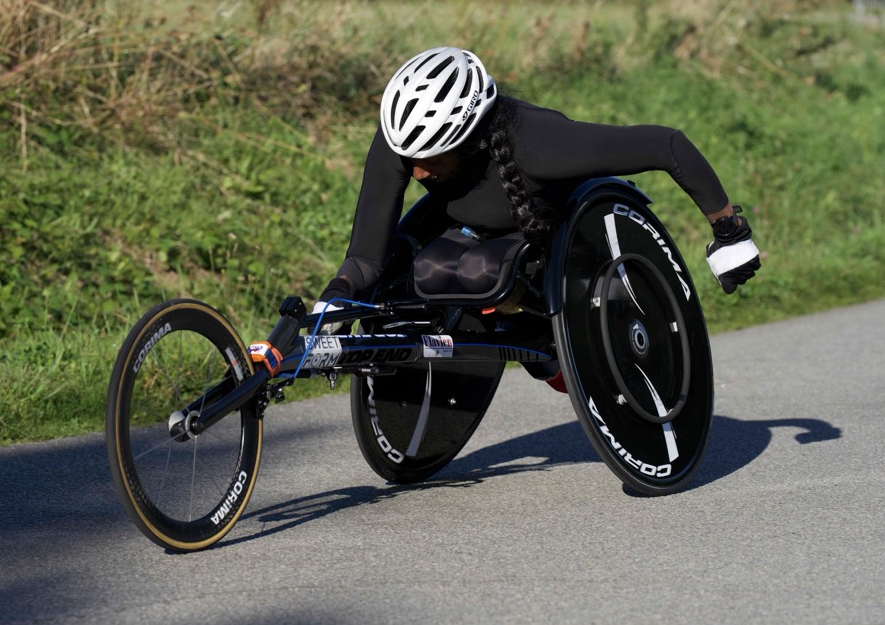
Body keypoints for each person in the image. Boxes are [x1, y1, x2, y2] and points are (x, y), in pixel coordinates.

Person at [312, 47, 761, 388]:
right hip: (471, 236)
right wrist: (339, 296)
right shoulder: (403, 139)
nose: (417, 173)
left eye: (430, 159)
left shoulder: (541, 143)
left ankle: (568, 357)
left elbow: (667, 145)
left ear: (470, 141)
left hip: (552, 240)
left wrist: (729, 231)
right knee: (426, 270)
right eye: (408, 158)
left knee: (485, 276)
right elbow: (367, 257)